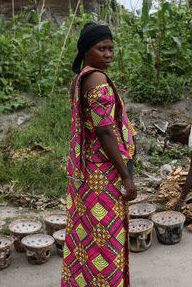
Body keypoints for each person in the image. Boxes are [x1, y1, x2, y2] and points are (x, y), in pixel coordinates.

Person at [62, 22, 137, 286]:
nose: (108, 54)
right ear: (85, 50)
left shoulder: (78, 79)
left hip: (84, 174)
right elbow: (104, 131)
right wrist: (126, 177)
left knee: (86, 239)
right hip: (101, 176)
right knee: (105, 243)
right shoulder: (96, 78)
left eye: (111, 49)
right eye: (101, 48)